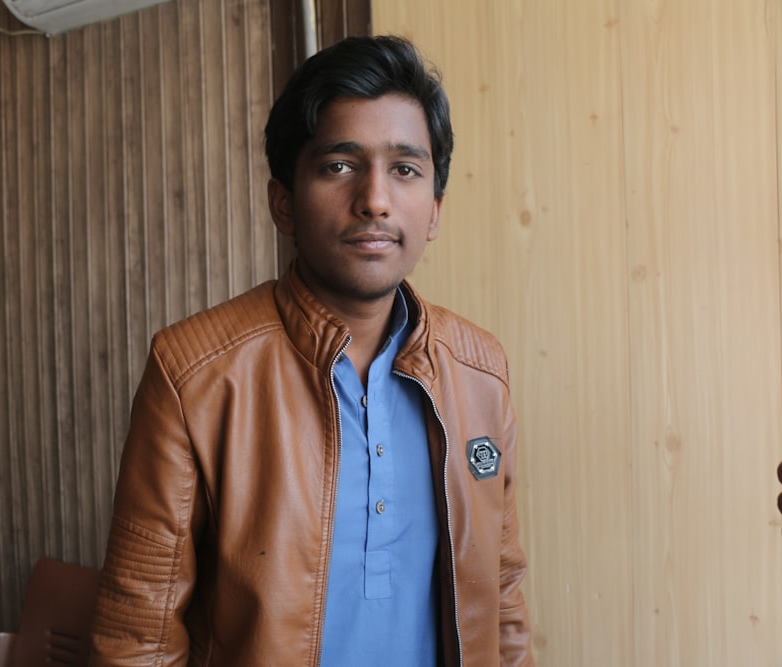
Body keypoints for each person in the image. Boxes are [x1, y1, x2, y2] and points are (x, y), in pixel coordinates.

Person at [90, 35, 534, 666]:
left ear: (434, 209)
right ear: (283, 203)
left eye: (405, 169)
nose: (376, 199)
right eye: (340, 166)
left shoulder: (480, 372)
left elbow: (503, 598)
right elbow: (139, 636)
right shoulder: (195, 374)